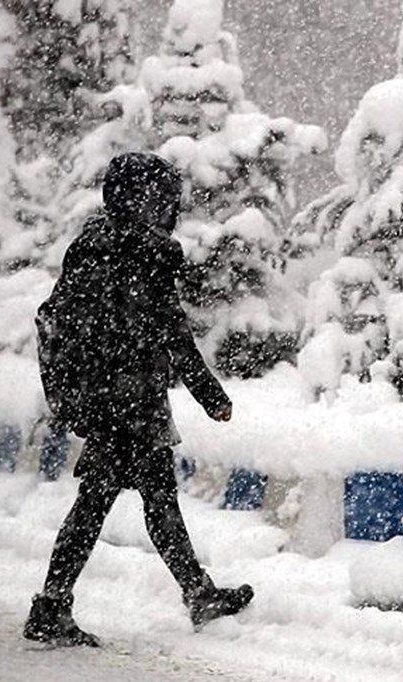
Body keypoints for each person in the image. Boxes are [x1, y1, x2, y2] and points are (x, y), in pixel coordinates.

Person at [24, 152, 252, 648]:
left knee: (141, 499)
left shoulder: (92, 247)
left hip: (108, 399)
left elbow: (63, 320)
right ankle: (53, 604)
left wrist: (77, 393)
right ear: (145, 201)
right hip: (128, 403)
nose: (170, 208)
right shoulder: (143, 254)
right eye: (164, 199)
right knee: (112, 503)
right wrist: (211, 395)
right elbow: (173, 333)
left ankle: (194, 593)